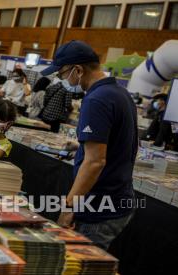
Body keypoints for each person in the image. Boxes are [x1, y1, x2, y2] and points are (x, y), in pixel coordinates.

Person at [41, 40, 138, 250]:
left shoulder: (97, 100)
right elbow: (119, 144)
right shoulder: (120, 93)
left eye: (61, 74)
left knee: (79, 263)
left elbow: (95, 162)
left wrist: (68, 206)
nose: (61, 79)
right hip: (118, 198)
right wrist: (81, 147)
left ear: (78, 70)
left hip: (99, 205)